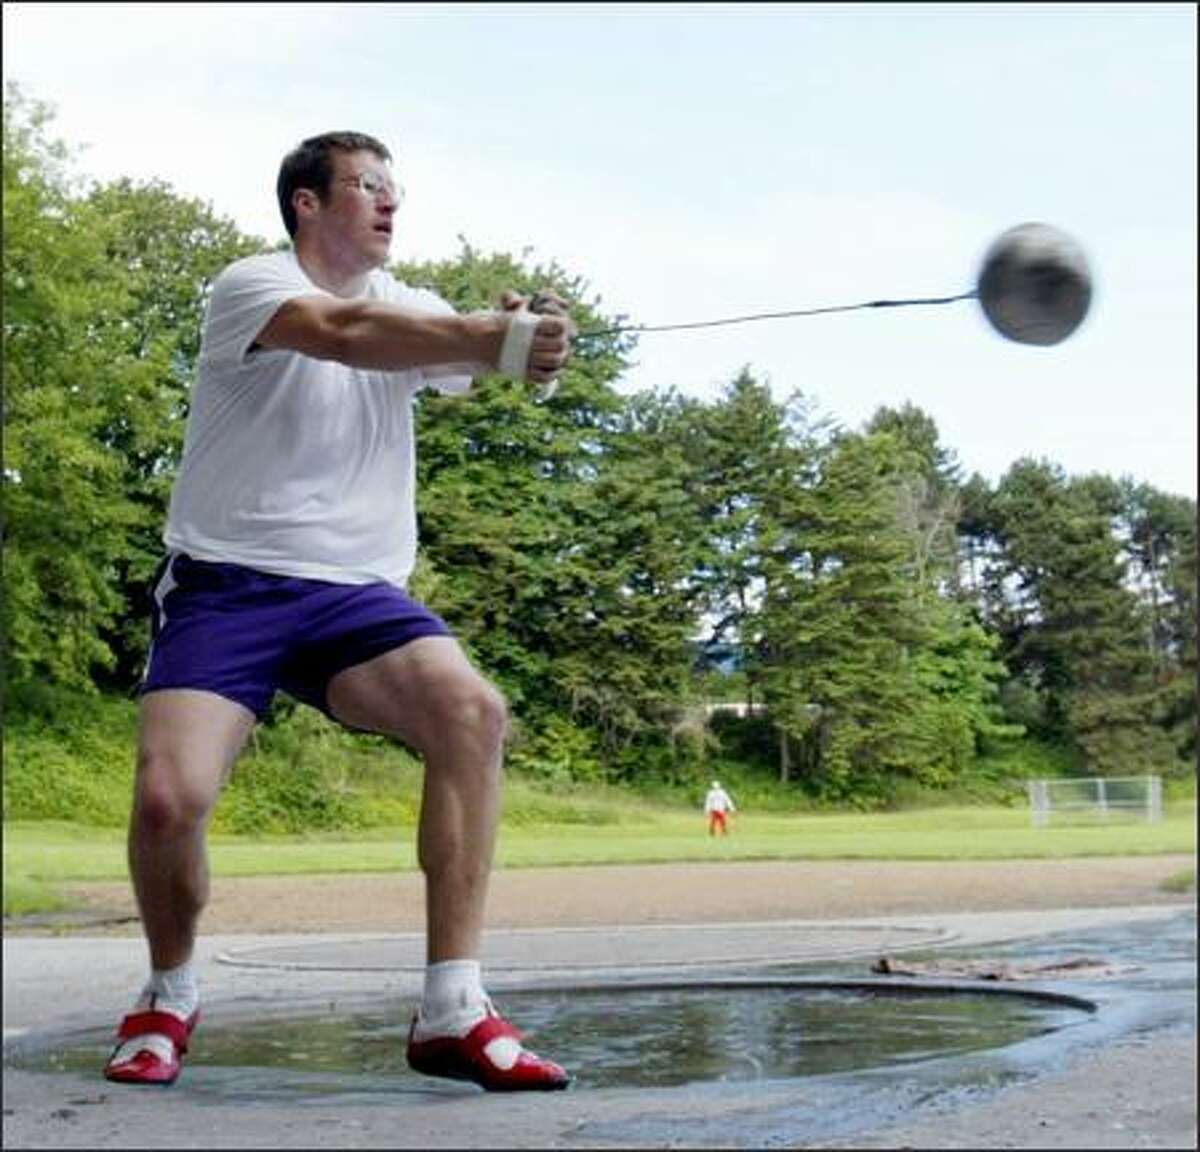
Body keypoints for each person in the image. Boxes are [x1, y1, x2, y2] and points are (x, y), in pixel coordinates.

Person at [102, 131, 574, 1092]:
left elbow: (481, 357)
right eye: (367, 185)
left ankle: (453, 1008)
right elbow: (346, 335)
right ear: (307, 203)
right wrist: (492, 336)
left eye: (395, 188)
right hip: (227, 582)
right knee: (167, 800)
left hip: (356, 594)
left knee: (472, 712)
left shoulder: (415, 307)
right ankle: (169, 993)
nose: (389, 202)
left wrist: (531, 342)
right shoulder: (252, 285)